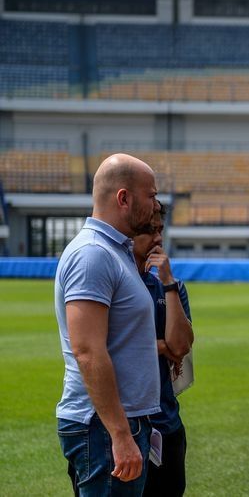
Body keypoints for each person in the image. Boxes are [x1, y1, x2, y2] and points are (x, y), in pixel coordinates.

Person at [55, 153, 162, 495]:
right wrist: (119, 433)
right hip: (102, 428)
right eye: (151, 195)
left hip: (117, 423)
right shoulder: (93, 254)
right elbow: (86, 350)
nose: (156, 204)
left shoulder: (116, 252)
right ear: (123, 198)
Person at [134, 201, 194, 497]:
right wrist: (160, 346)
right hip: (128, 427)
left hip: (167, 424)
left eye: (160, 229)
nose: (157, 237)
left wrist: (168, 282)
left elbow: (180, 346)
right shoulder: (117, 281)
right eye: (149, 230)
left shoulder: (172, 287)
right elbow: (107, 347)